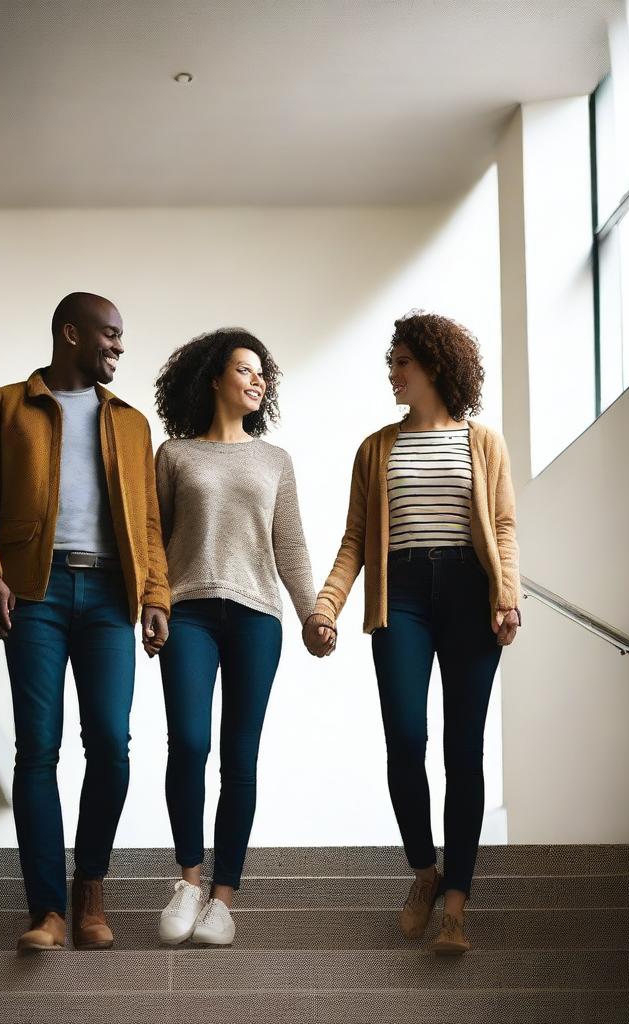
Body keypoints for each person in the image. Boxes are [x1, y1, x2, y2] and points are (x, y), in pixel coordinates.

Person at [0, 292, 170, 952]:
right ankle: (47, 910)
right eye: (109, 334)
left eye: (121, 336)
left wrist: (157, 596)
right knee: (38, 749)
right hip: (36, 594)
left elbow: (149, 523)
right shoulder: (5, 406)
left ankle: (91, 889)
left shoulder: (133, 424)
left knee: (111, 744)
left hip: (111, 597)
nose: (118, 346)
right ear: (70, 333)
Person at [303, 311, 520, 955]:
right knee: (405, 736)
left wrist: (507, 595)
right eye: (391, 363)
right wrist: (326, 606)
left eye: (402, 362)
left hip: (468, 594)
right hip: (400, 598)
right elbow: (354, 541)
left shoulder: (483, 442)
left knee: (464, 748)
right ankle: (423, 872)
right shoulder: (376, 448)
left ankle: (455, 905)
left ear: (434, 365)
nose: (393, 373)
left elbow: (502, 528)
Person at [151, 329, 316, 947]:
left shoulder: (274, 460)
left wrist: (311, 613)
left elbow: (291, 545)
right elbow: (154, 540)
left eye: (262, 374)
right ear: (215, 378)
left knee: (238, 755)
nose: (257, 381)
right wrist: (153, 602)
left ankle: (224, 897)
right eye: (245, 370)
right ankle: (189, 879)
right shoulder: (174, 455)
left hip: (256, 618)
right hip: (189, 612)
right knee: (189, 743)